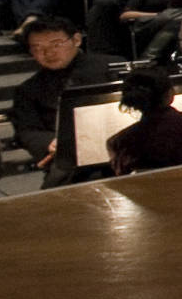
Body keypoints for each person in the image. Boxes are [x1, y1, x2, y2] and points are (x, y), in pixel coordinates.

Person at [11, 18, 111, 188]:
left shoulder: (111, 66)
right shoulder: (28, 89)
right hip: (69, 160)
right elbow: (27, 130)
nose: (48, 53)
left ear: (77, 40)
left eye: (56, 44)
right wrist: (50, 142)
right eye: (38, 48)